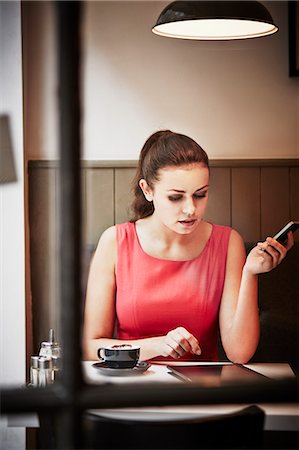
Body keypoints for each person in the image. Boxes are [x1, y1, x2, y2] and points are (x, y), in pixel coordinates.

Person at [83, 130, 294, 363]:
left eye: (200, 195)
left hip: (200, 391)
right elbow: (91, 347)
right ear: (147, 190)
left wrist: (249, 273)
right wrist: (157, 345)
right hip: (132, 386)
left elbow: (239, 353)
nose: (191, 209)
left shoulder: (227, 242)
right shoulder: (115, 241)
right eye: (176, 197)